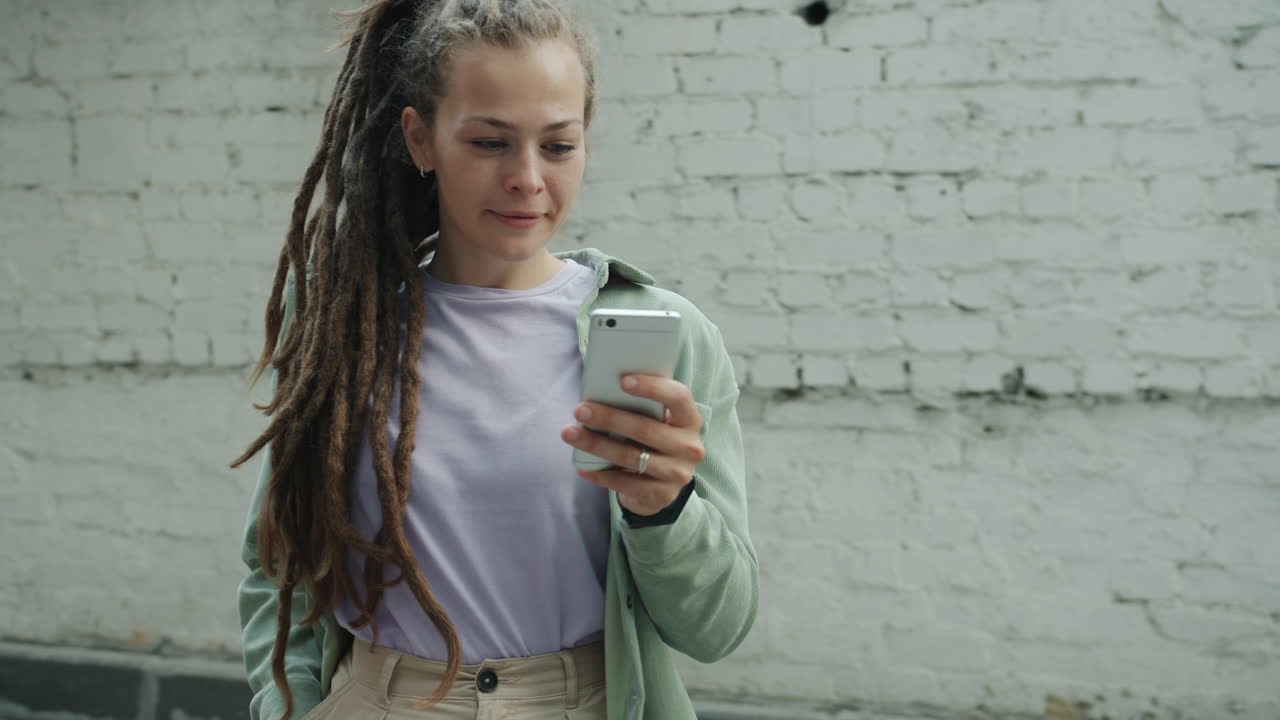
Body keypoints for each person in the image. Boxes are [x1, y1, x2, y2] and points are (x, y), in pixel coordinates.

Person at [231, 1, 758, 718]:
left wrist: (664, 509)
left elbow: (718, 628)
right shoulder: (346, 322)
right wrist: (283, 706)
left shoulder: (667, 335)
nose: (527, 178)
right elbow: (281, 565)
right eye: (489, 143)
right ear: (420, 139)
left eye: (558, 145)